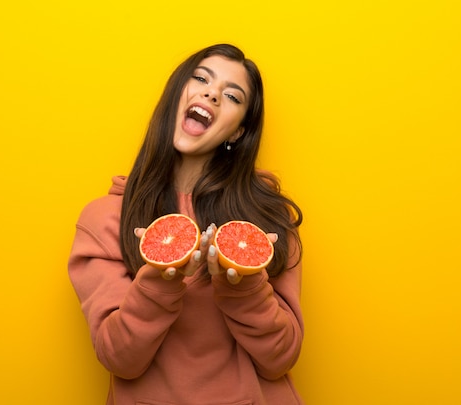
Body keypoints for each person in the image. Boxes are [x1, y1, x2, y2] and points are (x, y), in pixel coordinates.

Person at [68, 43, 304, 404]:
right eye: (201, 79)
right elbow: (119, 359)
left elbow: (280, 360)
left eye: (232, 95)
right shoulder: (105, 220)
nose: (212, 93)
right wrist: (162, 279)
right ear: (177, 94)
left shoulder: (266, 216)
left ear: (237, 132)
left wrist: (244, 285)